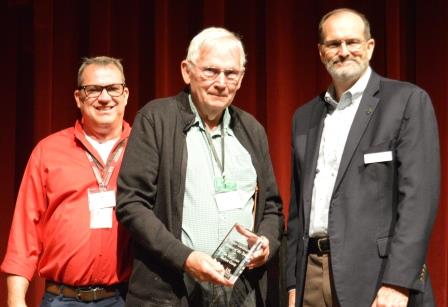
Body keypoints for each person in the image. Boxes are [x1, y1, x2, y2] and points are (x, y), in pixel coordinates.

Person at [116, 27, 283, 306]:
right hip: (175, 289)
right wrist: (185, 258)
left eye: (231, 74)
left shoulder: (252, 130)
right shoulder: (156, 119)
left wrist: (266, 243)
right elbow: (131, 204)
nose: (221, 82)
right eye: (210, 71)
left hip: (241, 290)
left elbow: (272, 208)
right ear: (186, 71)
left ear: (241, 79)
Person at [286, 8, 440, 307]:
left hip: (377, 276)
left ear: (370, 47)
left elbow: (419, 199)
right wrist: (294, 283)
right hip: (312, 275)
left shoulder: (406, 101)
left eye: (352, 42)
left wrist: (397, 282)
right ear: (321, 52)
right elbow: (296, 212)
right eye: (333, 44)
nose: (343, 51)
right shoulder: (304, 117)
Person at [1, 56, 133, 307]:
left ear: (125, 94)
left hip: (125, 299)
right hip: (62, 299)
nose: (104, 98)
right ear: (78, 98)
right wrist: (16, 300)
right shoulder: (48, 151)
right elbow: (25, 231)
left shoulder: (144, 149)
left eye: (113, 89)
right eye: (93, 89)